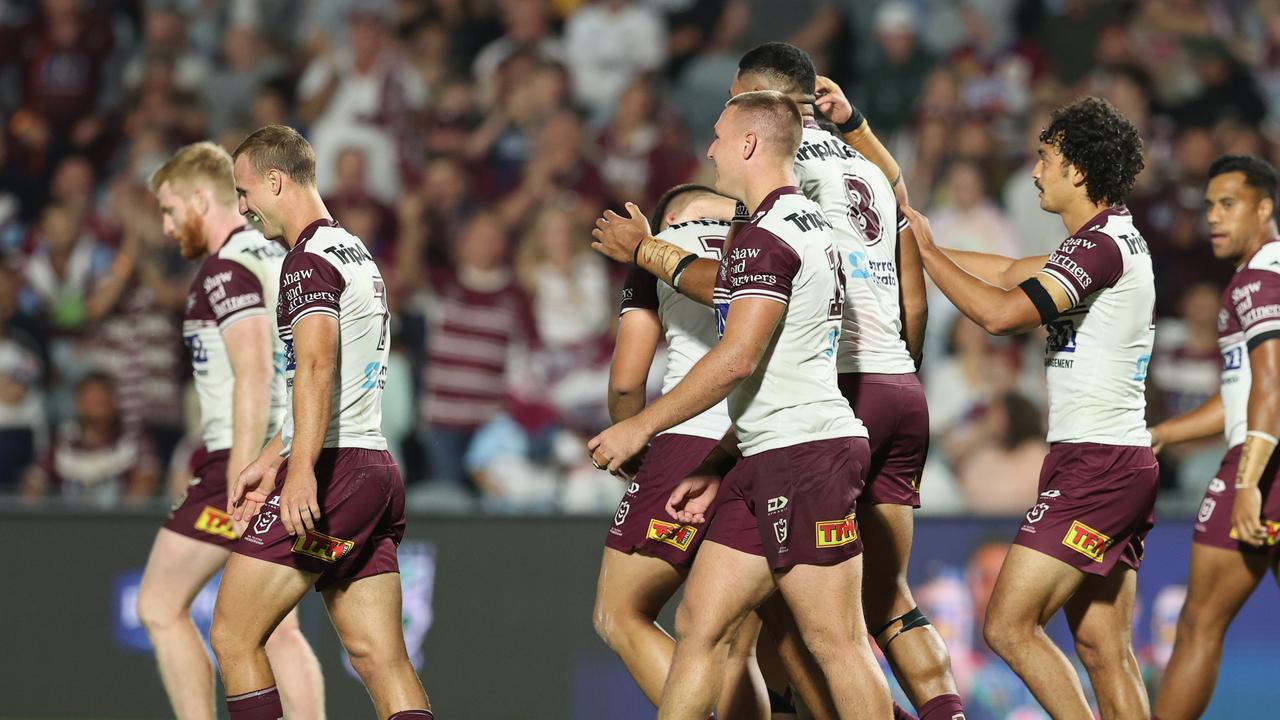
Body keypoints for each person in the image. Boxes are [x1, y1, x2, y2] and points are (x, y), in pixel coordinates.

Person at [589, 90, 892, 720]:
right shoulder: (811, 226)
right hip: (764, 453)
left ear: (750, 144)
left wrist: (638, 426)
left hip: (806, 454)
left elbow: (738, 359)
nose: (711, 149)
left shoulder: (766, 234)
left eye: (720, 136)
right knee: (701, 622)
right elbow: (782, 363)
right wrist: (717, 464)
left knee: (834, 641)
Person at [904, 97, 1155, 720]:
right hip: (1110, 460)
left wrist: (930, 256)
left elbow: (998, 313)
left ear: (1077, 169)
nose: (1036, 170)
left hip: (1096, 465)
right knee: (1104, 649)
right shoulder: (1103, 240)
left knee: (1009, 625)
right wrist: (909, 247)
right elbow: (1011, 270)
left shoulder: (1101, 246)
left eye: (1045, 158)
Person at [209, 125, 431, 720]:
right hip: (375, 469)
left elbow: (315, 366)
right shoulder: (353, 251)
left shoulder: (306, 261)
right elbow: (331, 381)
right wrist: (270, 456)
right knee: (379, 657)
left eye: (244, 191)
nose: (243, 207)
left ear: (275, 181)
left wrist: (300, 469)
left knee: (233, 635)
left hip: (335, 469)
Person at [135, 141, 324, 720]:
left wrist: (242, 479)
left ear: (199, 198)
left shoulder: (224, 268)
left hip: (239, 463)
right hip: (285, 450)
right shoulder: (273, 256)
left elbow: (254, 369)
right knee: (277, 628)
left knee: (159, 605)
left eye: (170, 210)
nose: (168, 227)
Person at [593, 183, 770, 716]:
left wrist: (638, 454)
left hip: (690, 440)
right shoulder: (769, 240)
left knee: (619, 613)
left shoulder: (657, 249)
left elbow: (627, 382)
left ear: (667, 217)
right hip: (769, 441)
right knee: (737, 646)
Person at [1149, 155, 1280, 720]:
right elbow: (1239, 395)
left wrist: (1249, 481)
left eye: (1229, 205)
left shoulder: (1258, 279)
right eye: (1208, 207)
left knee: (1199, 624)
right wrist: (1162, 432)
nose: (1214, 218)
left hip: (1264, 467)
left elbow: (1272, 389)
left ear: (1265, 208)